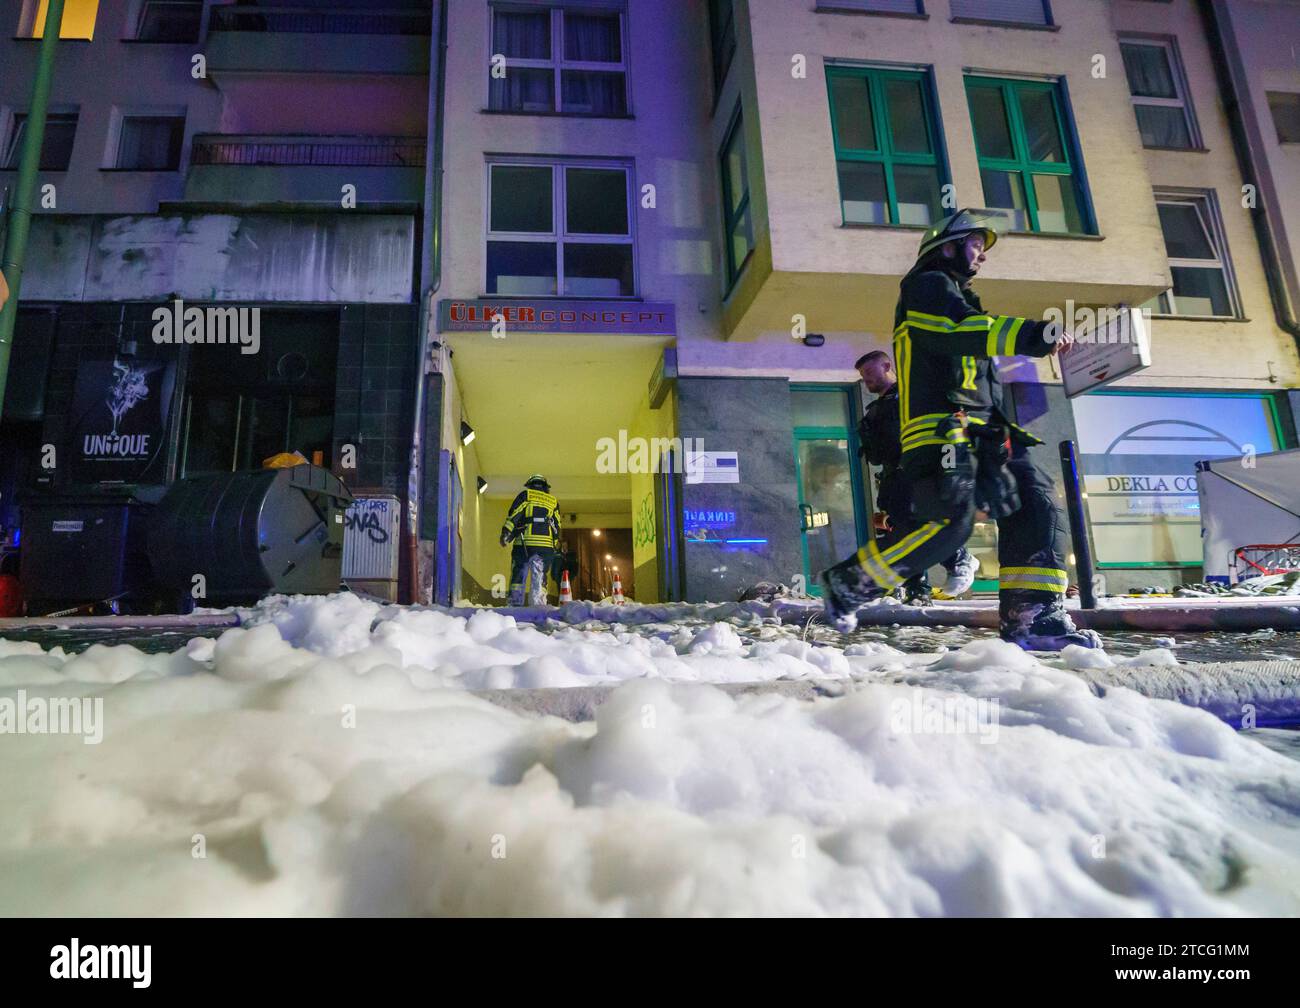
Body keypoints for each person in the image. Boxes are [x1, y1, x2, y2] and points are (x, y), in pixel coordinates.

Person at [822, 209, 1101, 650]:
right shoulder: (926, 286)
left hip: (983, 434)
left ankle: (1033, 618)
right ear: (946, 247)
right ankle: (849, 582)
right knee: (948, 527)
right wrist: (1033, 334)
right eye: (976, 244)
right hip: (941, 434)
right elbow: (953, 330)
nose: (982, 257)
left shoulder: (957, 296)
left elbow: (972, 361)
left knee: (1034, 504)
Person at [856, 349, 980, 604]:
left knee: (922, 526)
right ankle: (918, 592)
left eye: (869, 372)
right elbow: (878, 456)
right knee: (903, 532)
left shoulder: (912, 398)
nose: (866, 378)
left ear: (887, 366)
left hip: (917, 472)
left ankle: (957, 557)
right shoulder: (874, 411)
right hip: (893, 478)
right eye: (862, 374)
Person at [500, 474, 561, 605]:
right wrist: (554, 544)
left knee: (519, 574)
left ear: (530, 485)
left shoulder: (526, 495)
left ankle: (515, 606)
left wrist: (506, 532)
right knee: (540, 577)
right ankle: (538, 606)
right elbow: (557, 525)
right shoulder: (553, 501)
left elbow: (515, 514)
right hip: (545, 547)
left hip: (524, 544)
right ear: (545, 487)